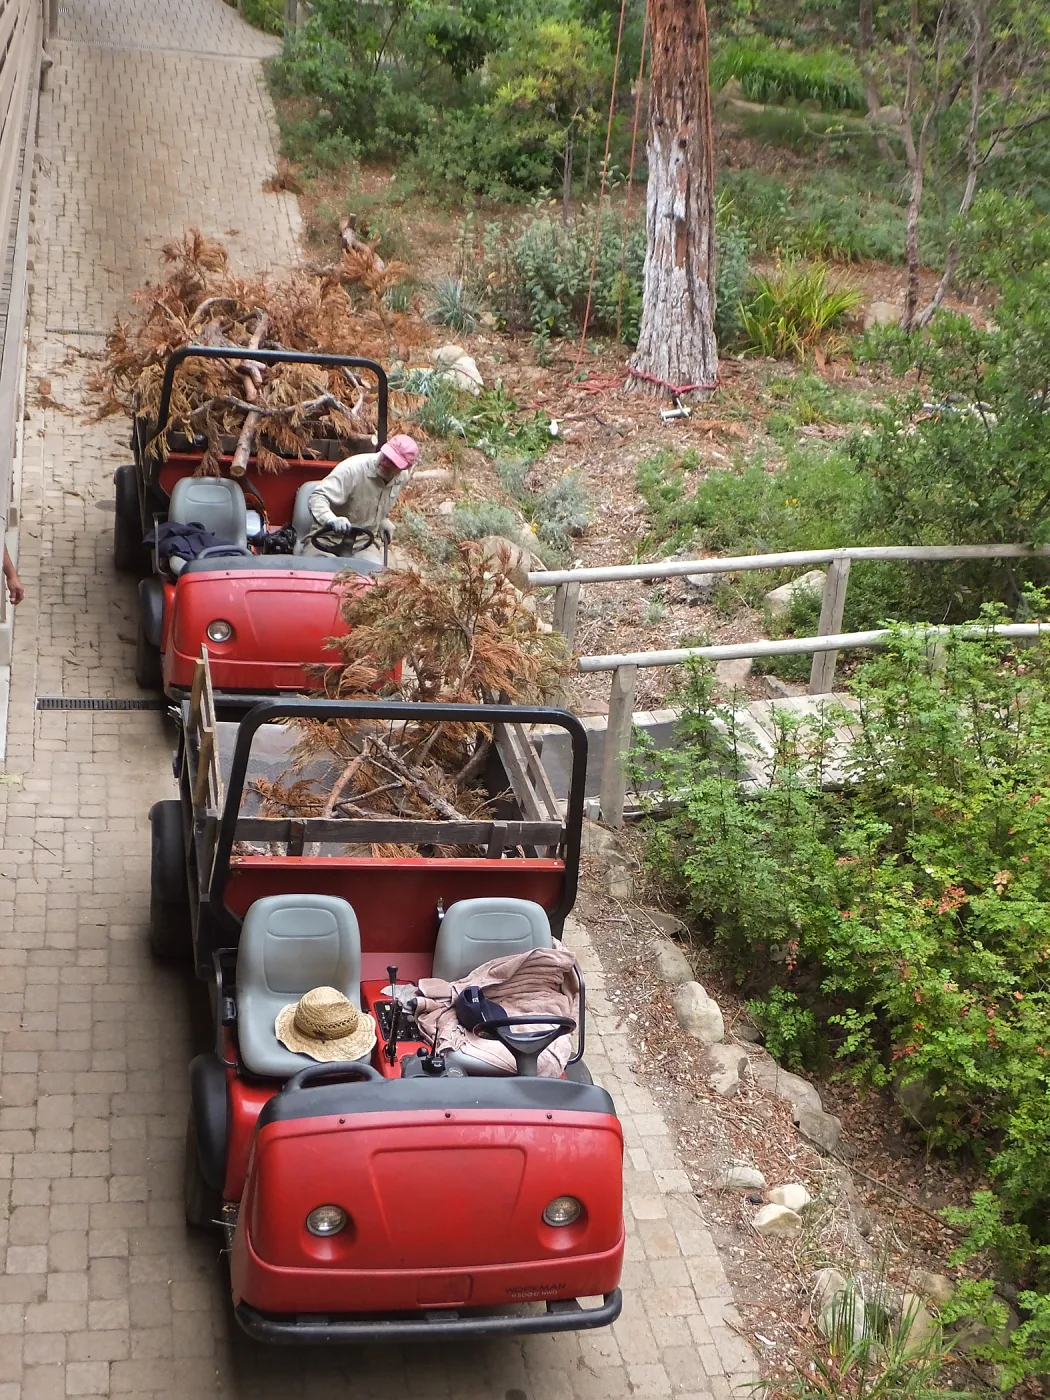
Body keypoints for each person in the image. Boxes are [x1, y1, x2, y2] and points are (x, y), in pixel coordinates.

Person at [304, 435, 419, 559]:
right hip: (326, 539)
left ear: (404, 468)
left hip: (363, 543)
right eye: (386, 456)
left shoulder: (401, 477)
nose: (385, 462)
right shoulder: (352, 469)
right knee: (319, 572)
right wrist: (331, 519)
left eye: (393, 462)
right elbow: (318, 497)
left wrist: (383, 519)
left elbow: (380, 502)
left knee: (373, 575)